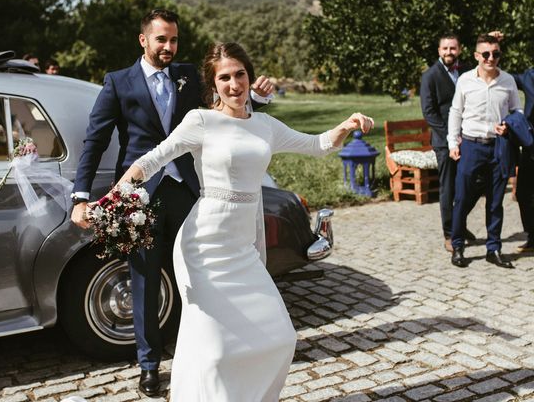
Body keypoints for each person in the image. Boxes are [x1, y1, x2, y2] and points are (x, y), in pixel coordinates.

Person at [88, 42, 374, 401]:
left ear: (250, 77)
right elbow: (153, 159)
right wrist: (114, 198)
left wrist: (347, 124)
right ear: (213, 84)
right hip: (202, 247)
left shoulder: (265, 125)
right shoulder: (201, 121)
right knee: (214, 349)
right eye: (225, 77)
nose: (234, 84)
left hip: (242, 248)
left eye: (240, 74)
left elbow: (317, 144)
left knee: (280, 337)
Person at [70, 9, 273, 396]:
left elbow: (225, 110)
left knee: (202, 273)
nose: (168, 47)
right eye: (161, 39)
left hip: (189, 191)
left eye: (174, 40)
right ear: (143, 40)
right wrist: (81, 197)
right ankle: (149, 364)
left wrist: (258, 100)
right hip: (141, 198)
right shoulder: (117, 83)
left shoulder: (188, 77)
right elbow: (95, 141)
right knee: (144, 280)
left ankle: (210, 353)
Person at [447, 33, 522, 269]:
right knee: (462, 199)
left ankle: (494, 249)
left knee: (495, 201)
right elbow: (455, 112)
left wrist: (509, 124)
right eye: (486, 54)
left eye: (496, 54)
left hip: (498, 147)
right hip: (470, 146)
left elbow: (516, 111)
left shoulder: (508, 80)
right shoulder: (466, 80)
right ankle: (457, 246)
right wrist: (452, 143)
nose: (491, 58)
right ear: (477, 56)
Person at [420, 34, 476, 252]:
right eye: (445, 48)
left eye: (453, 48)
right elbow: (429, 113)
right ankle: (450, 233)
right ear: (439, 51)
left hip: (469, 138)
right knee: (448, 187)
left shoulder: (467, 72)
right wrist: (452, 136)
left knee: (472, 184)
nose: (449, 52)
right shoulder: (430, 76)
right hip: (445, 142)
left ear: (459, 50)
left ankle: (459, 223)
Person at [487, 31, 534, 253]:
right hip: (532, 145)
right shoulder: (529, 76)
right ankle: (533, 237)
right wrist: (493, 43)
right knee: (523, 192)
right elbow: (494, 70)